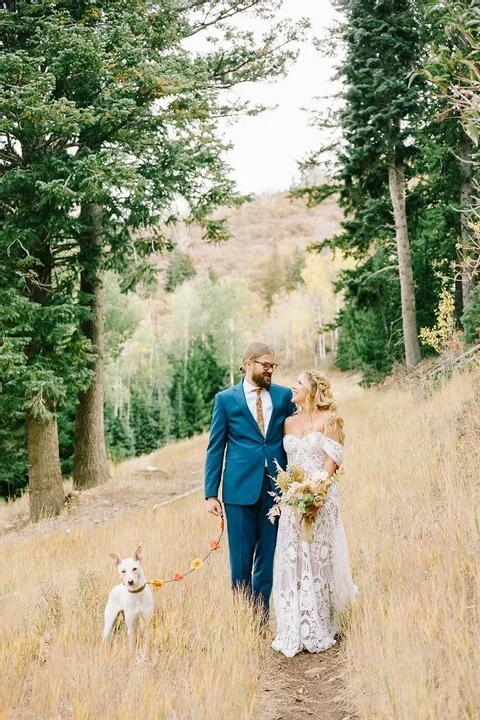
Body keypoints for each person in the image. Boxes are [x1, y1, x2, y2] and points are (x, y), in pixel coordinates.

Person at [204, 342, 296, 620]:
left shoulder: (283, 397)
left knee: (266, 560)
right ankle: (243, 619)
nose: (270, 370)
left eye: (273, 366)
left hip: (275, 490)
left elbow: (296, 434)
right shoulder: (225, 400)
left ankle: (261, 618)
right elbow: (215, 447)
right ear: (247, 365)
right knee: (241, 562)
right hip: (238, 492)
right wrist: (211, 493)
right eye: (265, 365)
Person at [271, 370, 357, 657]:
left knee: (319, 557)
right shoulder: (287, 422)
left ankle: (321, 620)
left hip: (322, 497)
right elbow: (287, 461)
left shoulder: (328, 419)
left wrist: (317, 493)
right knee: (293, 556)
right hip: (292, 499)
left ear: (311, 388)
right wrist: (294, 493)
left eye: (298, 383)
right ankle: (293, 624)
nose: (292, 387)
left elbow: (334, 459)